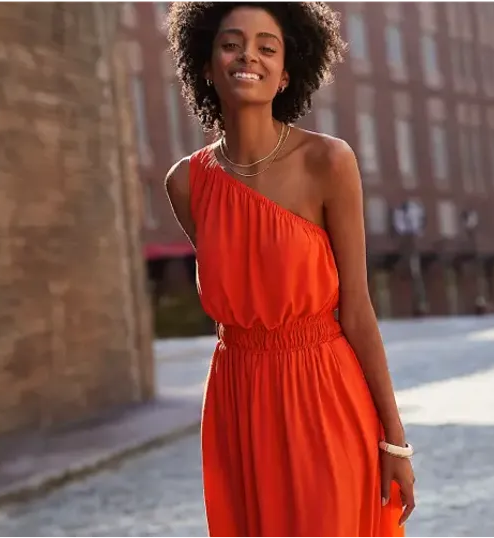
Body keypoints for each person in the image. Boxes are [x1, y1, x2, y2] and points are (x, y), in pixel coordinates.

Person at [162, 1, 414, 536]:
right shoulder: (186, 183)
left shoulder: (328, 162)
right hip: (238, 402)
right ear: (205, 65)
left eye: (266, 47)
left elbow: (357, 309)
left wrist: (394, 439)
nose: (247, 56)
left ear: (285, 74)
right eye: (231, 44)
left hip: (324, 393)